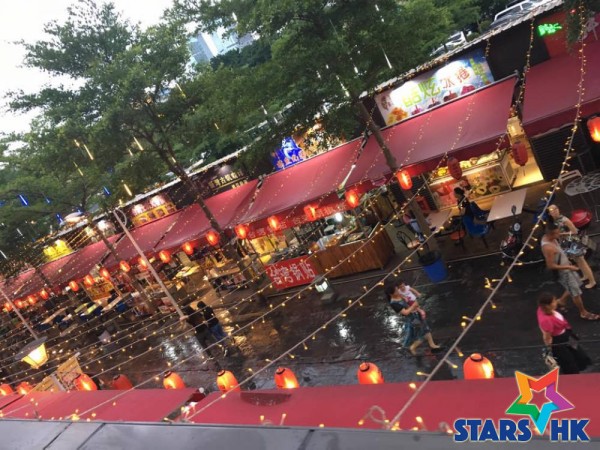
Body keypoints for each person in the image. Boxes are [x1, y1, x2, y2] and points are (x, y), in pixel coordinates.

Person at [541, 222, 599, 320]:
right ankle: (583, 312)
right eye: (557, 233)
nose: (559, 234)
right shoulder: (548, 248)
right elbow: (550, 265)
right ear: (551, 234)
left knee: (576, 284)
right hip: (564, 273)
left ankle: (561, 301)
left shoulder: (550, 238)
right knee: (576, 293)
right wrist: (569, 267)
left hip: (567, 267)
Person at [537, 292, 591, 374]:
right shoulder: (546, 320)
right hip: (558, 340)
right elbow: (547, 336)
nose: (556, 302)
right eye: (554, 301)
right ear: (548, 305)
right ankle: (573, 374)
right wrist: (549, 348)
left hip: (566, 335)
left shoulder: (542, 309)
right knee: (566, 359)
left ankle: (580, 366)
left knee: (577, 350)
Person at [548, 204, 596, 289]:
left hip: (573, 242)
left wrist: (561, 234)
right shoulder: (555, 221)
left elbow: (574, 231)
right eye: (552, 210)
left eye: (555, 209)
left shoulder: (564, 219)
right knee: (577, 261)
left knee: (582, 261)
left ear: (558, 209)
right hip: (566, 243)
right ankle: (585, 276)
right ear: (549, 213)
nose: (554, 211)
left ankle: (592, 281)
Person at [385, 282, 440, 355]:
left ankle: (432, 344)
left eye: (397, 289)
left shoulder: (400, 295)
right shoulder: (393, 303)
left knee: (426, 329)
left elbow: (410, 303)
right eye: (396, 291)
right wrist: (413, 306)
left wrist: (420, 310)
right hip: (413, 320)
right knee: (421, 335)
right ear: (391, 294)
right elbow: (405, 312)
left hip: (416, 314)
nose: (398, 291)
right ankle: (412, 347)